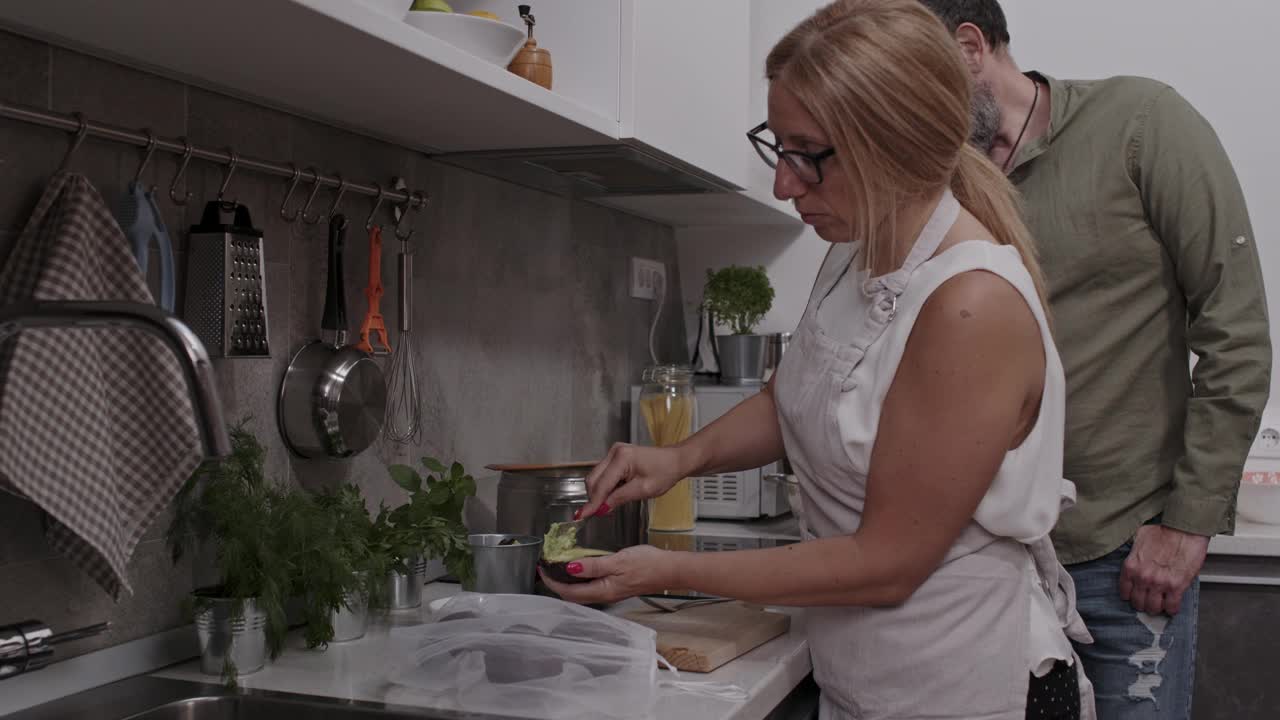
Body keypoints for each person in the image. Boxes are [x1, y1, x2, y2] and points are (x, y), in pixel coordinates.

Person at [540, 1, 1095, 717]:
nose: (783, 183)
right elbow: (793, 396)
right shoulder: (853, 251)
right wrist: (677, 459)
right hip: (868, 681)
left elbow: (887, 563)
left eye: (809, 156)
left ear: (893, 146)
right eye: (780, 146)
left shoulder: (970, 306)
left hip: (963, 686)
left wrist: (671, 571)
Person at [915, 2, 1273, 718]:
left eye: (916, 74)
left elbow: (1235, 332)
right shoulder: (936, 188)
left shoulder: (1142, 124)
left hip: (1122, 558)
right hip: (978, 566)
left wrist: (1187, 524)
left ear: (969, 45)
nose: (903, 102)